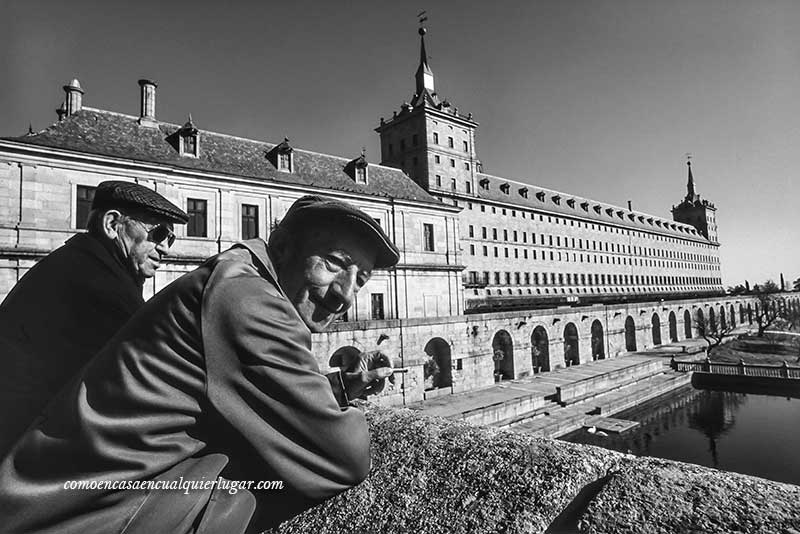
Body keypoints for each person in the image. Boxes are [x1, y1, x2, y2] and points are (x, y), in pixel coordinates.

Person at [0, 195, 399, 534]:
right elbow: (345, 456)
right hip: (88, 515)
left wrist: (339, 387)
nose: (346, 295)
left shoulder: (234, 278)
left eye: (360, 278)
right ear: (286, 247)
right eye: (333, 262)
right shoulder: (248, 300)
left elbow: (236, 386)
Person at [0, 180, 187, 457]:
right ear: (112, 224)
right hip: (27, 452)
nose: (166, 248)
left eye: (169, 239)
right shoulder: (99, 283)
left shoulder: (82, 263)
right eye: (158, 233)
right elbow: (156, 372)